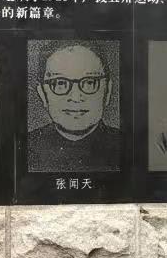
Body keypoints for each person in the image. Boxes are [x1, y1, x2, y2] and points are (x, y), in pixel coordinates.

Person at [28, 41, 120, 172]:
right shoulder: (27, 146)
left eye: (89, 82)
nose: (76, 98)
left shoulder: (129, 146)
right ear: (42, 94)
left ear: (108, 91)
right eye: (60, 83)